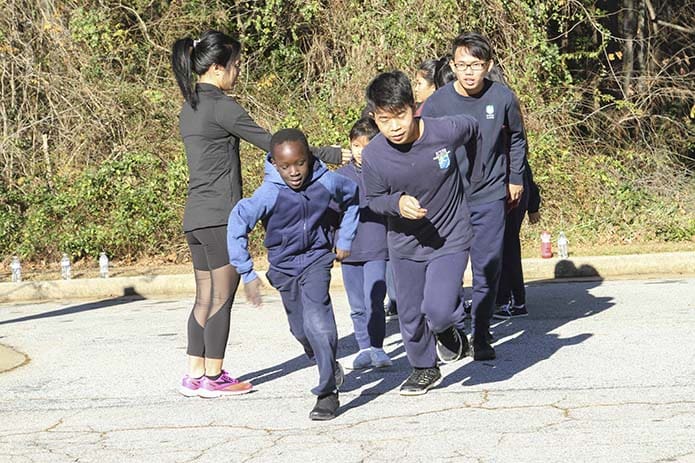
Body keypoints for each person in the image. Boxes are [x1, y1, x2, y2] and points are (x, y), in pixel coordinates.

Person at [171, 30, 349, 398]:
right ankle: (214, 375)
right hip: (220, 214)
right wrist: (330, 154)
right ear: (218, 68)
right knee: (222, 296)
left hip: (196, 215)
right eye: (235, 65)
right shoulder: (222, 106)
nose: (237, 72)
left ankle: (195, 373)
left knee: (204, 297)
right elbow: (275, 146)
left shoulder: (188, 107)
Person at [227, 128, 359, 421]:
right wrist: (247, 272)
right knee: (301, 330)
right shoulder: (269, 192)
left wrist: (345, 239)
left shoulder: (326, 182)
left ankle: (327, 394)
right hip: (284, 268)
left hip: (316, 259)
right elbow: (237, 222)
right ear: (274, 164)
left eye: (299, 163)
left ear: (309, 158)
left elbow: (353, 199)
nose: (294, 172)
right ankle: (326, 361)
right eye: (285, 166)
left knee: (319, 324)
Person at [361, 71, 480, 395]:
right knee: (410, 314)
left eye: (400, 116)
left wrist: (476, 177)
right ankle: (424, 369)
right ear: (375, 118)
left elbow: (474, 128)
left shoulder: (444, 131)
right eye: (385, 120)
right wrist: (397, 203)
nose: (395, 127)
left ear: (414, 108)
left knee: (438, 309)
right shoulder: (374, 155)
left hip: (450, 236)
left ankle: (449, 334)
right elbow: (372, 200)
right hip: (405, 243)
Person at [421, 32, 528, 361]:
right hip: (449, 199)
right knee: (447, 269)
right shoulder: (437, 103)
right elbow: (424, 147)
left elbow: (517, 140)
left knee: (487, 268)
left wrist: (516, 178)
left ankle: (481, 333)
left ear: (488, 66)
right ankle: (451, 328)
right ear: (453, 65)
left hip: (490, 195)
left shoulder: (503, 97)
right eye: (462, 65)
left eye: (476, 65)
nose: (468, 72)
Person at [335, 117, 392, 370]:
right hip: (349, 250)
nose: (361, 151)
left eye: (367, 146)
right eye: (356, 146)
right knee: (357, 306)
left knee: (374, 301)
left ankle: (378, 348)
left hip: (377, 247)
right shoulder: (340, 176)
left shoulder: (386, 172)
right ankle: (364, 348)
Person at [493, 159, 541, 318]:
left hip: (511, 194)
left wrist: (534, 204)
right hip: (511, 191)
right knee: (509, 247)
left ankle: (506, 301)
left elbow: (523, 170)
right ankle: (515, 300)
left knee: (506, 248)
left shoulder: (507, 140)